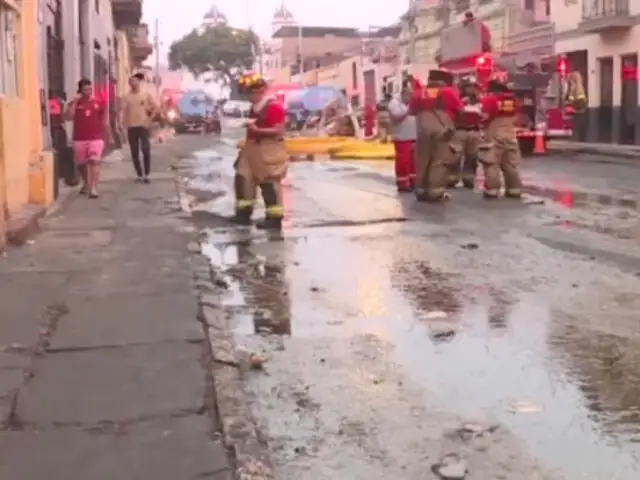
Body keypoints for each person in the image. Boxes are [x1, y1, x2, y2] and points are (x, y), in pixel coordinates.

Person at [232, 72, 289, 231]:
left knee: (269, 183)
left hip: (268, 149)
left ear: (260, 90)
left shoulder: (273, 107)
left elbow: (279, 131)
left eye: (251, 92)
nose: (249, 96)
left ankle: (274, 219)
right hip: (251, 148)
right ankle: (243, 214)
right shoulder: (255, 107)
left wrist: (257, 130)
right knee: (243, 178)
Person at [410, 69, 463, 202]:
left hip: (422, 129)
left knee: (422, 159)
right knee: (440, 160)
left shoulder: (418, 93)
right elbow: (460, 109)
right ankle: (436, 191)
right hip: (442, 129)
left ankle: (421, 189)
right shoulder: (448, 92)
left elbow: (412, 110)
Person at [64, 78, 111, 198]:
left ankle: (93, 188)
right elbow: (68, 117)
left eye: (90, 89)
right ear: (80, 90)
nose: (89, 91)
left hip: (96, 137)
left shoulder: (98, 102)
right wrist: (74, 103)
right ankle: (86, 182)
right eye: (85, 89)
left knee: (95, 161)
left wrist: (109, 136)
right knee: (81, 164)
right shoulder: (75, 103)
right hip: (80, 138)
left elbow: (105, 121)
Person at [479, 78, 523, 199]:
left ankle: (492, 190)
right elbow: (516, 116)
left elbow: (485, 117)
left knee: (491, 162)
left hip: (494, 134)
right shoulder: (513, 100)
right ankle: (514, 189)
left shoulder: (491, 99)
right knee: (510, 164)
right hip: (510, 134)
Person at [119, 72, 158, 183]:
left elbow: (156, 108)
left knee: (145, 149)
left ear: (139, 82)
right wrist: (122, 123)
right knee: (134, 152)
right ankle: (139, 174)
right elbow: (122, 111)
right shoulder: (126, 97)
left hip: (143, 126)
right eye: (131, 82)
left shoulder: (145, 95)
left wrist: (149, 120)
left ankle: (147, 174)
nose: (133, 84)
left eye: (135, 81)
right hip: (131, 127)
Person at [452, 76, 483, 189]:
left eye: (473, 87)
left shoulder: (480, 100)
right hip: (460, 131)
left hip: (474, 131)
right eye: (469, 87)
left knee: (472, 156)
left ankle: (469, 178)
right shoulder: (456, 99)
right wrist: (461, 104)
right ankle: (452, 178)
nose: (471, 90)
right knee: (454, 156)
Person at [387, 81, 416, 192]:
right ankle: (403, 183)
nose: (411, 98)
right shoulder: (394, 103)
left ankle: (413, 181)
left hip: (413, 135)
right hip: (402, 137)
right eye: (409, 96)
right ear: (404, 94)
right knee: (403, 161)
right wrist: (408, 110)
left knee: (413, 162)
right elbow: (396, 116)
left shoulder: (410, 103)